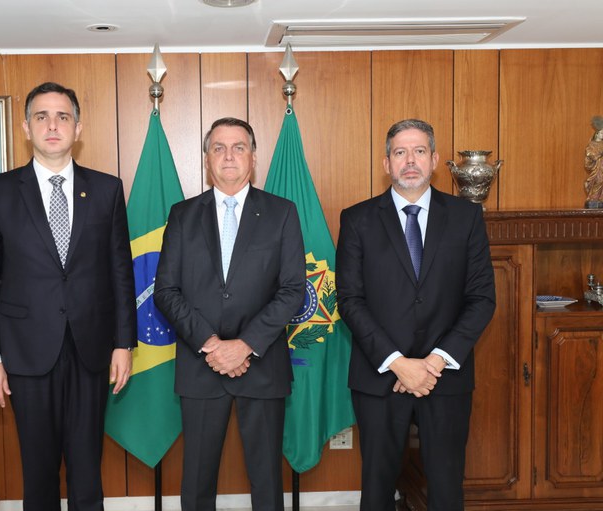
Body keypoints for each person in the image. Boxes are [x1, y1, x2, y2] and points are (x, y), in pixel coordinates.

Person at [0, 82, 136, 511]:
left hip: (91, 350)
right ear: (26, 127)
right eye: (42, 116)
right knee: (39, 471)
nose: (52, 125)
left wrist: (124, 343)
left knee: (87, 469)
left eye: (62, 116)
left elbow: (120, 272)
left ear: (77, 127)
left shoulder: (106, 190)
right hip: (25, 353)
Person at [335, 119, 496, 511]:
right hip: (379, 377)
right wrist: (398, 363)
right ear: (386, 163)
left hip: (445, 377)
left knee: (446, 487)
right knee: (376, 487)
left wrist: (434, 362)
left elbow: (481, 299)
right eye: (400, 152)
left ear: (435, 160)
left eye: (419, 151)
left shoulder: (465, 217)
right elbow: (350, 300)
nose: (410, 161)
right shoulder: (357, 219)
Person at [154, 117, 305, 511]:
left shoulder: (282, 212)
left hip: (262, 363)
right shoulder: (183, 215)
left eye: (239, 147)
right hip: (200, 366)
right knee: (197, 481)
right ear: (206, 159)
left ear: (253, 157)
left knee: (267, 480)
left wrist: (245, 345)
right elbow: (166, 292)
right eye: (218, 148)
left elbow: (292, 290)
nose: (229, 156)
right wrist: (211, 345)